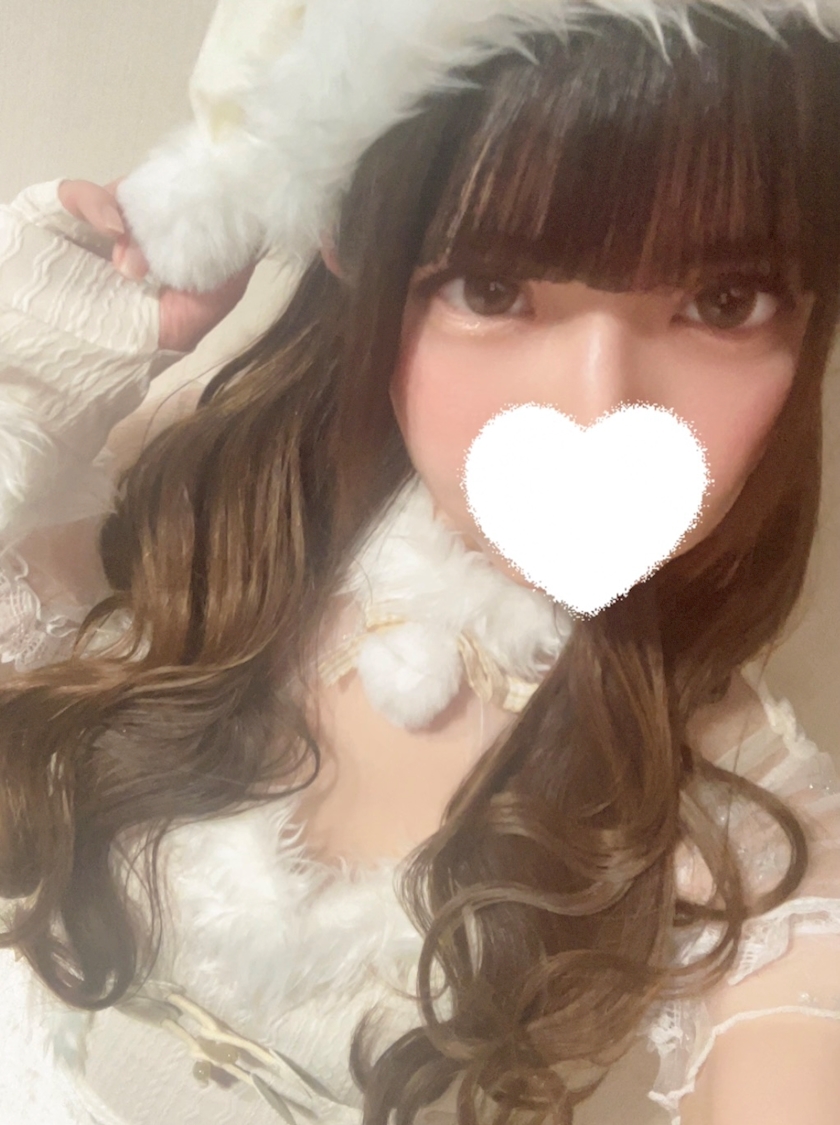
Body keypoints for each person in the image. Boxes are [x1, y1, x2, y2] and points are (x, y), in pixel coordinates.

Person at [3, 2, 840, 1123]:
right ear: (361, 259)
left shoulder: (750, 833)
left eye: (725, 302)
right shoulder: (197, 501)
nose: (599, 410)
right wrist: (43, 369)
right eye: (491, 288)